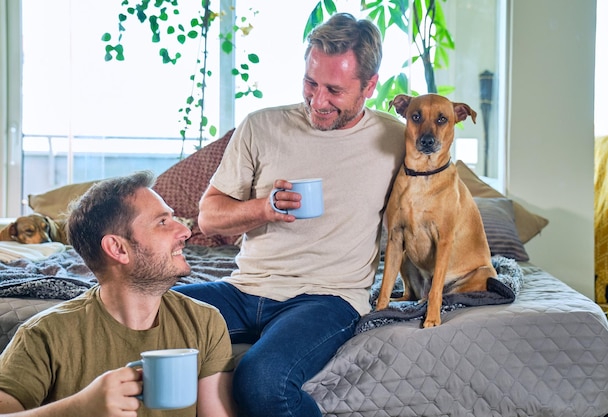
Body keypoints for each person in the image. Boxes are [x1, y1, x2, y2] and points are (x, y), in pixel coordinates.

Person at [175, 12, 406, 417]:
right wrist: (264, 208)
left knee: (261, 380)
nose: (318, 101)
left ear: (370, 85)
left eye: (334, 90)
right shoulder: (261, 126)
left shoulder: (395, 140)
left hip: (327, 298)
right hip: (243, 289)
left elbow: (438, 208)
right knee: (140, 316)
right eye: (310, 83)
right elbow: (209, 217)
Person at [0, 171, 236, 417]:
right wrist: (78, 409)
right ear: (118, 248)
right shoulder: (44, 335)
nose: (185, 232)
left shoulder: (205, 322)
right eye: (162, 222)